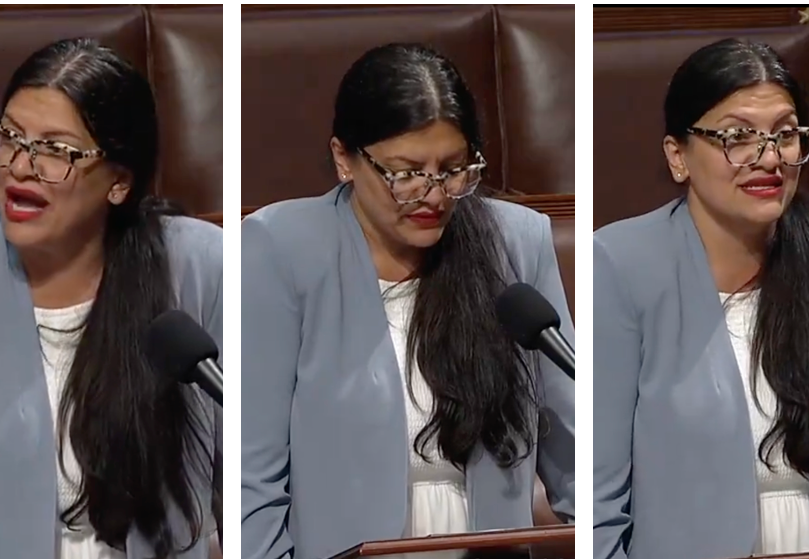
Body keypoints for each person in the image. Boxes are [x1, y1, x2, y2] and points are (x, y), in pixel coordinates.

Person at [231, 42, 575, 559]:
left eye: (453, 168)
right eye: (406, 172)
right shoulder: (280, 247)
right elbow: (249, 472)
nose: (434, 195)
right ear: (344, 158)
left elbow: (573, 443)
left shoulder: (515, 241)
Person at [593, 38, 809, 559]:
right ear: (678, 155)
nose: (769, 158)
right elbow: (596, 503)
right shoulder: (621, 263)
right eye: (737, 136)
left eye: (785, 134)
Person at [0, 38, 222, 559]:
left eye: (56, 151)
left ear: (118, 181)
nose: (20, 167)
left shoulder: (200, 266)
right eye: (9, 137)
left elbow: (248, 481)